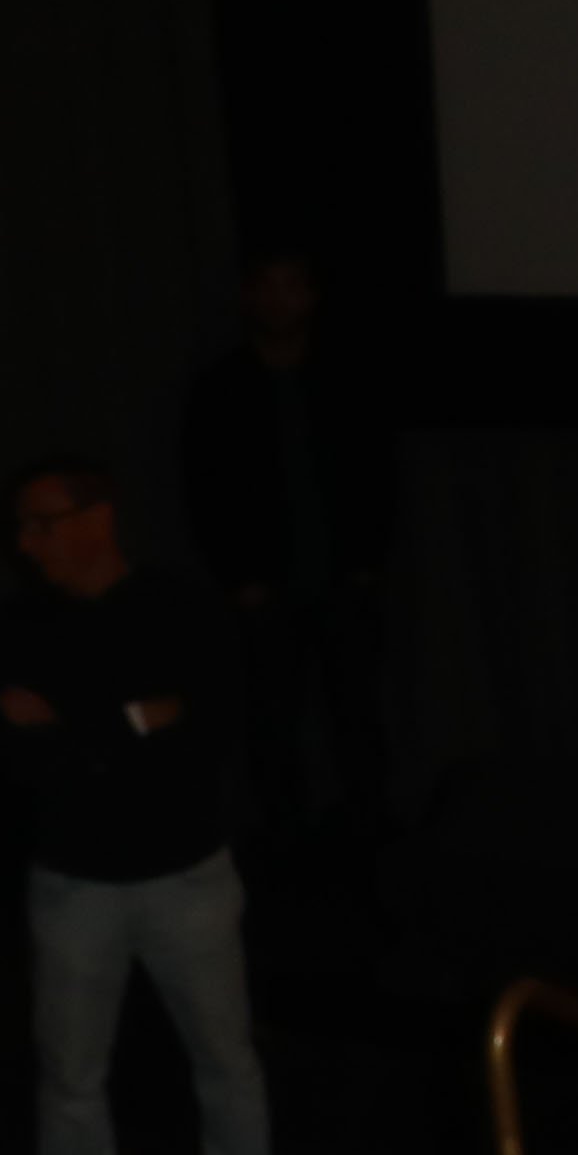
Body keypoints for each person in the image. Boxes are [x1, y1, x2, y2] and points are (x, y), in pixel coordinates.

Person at [0, 460, 284, 1155]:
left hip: (184, 869)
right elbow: (13, 759)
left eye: (44, 521)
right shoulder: (13, 628)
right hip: (74, 880)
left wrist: (78, 728)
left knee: (224, 1055)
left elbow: (212, 730)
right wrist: (139, 720)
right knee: (71, 1071)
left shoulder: (182, 610)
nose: (28, 542)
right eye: (22, 526)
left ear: (98, 518)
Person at [177, 250, 398, 848]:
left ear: (312, 295)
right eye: (267, 287)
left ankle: (370, 834)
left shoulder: (350, 377)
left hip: (345, 579)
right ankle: (289, 841)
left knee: (357, 718)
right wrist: (239, 577)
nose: (280, 300)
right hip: (265, 589)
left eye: (292, 286)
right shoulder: (221, 389)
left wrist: (367, 563)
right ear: (249, 297)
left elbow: (380, 476)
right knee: (273, 723)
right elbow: (207, 489)